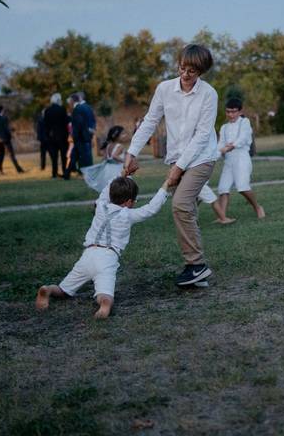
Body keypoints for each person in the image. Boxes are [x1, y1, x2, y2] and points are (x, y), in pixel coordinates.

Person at [124, 44, 220, 287]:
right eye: (182, 68)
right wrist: (132, 152)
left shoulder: (209, 94)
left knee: (180, 204)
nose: (185, 74)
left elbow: (201, 135)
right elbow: (150, 121)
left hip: (202, 157)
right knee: (186, 209)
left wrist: (179, 168)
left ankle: (196, 265)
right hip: (177, 156)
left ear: (201, 72)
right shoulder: (165, 89)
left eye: (192, 71)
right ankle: (197, 274)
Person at [35, 176, 171, 319]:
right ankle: (104, 305)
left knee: (63, 290)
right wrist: (166, 186)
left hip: (88, 255)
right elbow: (151, 209)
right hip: (107, 258)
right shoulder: (127, 214)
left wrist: (124, 174)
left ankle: (48, 289)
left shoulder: (100, 205)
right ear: (129, 202)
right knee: (105, 295)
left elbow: (106, 190)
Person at [213, 97, 265, 224]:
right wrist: (216, 153)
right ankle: (222, 217)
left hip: (242, 158)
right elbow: (220, 144)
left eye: (234, 111)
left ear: (241, 111)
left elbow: (242, 138)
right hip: (228, 161)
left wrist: (231, 146)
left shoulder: (245, 122)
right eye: (228, 111)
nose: (230, 114)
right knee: (223, 188)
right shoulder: (224, 127)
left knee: (242, 187)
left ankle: (257, 207)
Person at [81, 125, 129, 195]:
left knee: (109, 185)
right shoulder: (120, 146)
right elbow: (114, 156)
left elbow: (106, 157)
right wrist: (124, 161)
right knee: (121, 183)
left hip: (108, 168)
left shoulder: (109, 145)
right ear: (116, 136)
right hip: (117, 168)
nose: (125, 135)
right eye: (122, 134)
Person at [64, 92, 97, 179]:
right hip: (85, 135)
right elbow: (92, 121)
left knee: (84, 156)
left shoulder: (78, 109)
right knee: (77, 155)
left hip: (81, 137)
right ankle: (68, 173)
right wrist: (91, 132)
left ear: (72, 100)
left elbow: (78, 124)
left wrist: (74, 136)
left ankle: (85, 173)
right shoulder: (87, 107)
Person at [0, 104, 25, 175]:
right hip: (5, 139)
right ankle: (18, 169)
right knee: (11, 155)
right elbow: (7, 129)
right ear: (1, 110)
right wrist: (11, 133)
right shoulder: (4, 118)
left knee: (0, 155)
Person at [43, 93, 70, 178]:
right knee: (63, 156)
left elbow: (45, 125)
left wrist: (47, 136)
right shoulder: (62, 109)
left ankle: (54, 173)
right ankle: (65, 172)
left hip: (51, 137)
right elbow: (65, 123)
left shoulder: (47, 110)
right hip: (62, 136)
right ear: (59, 100)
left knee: (54, 157)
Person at [35, 107, 47, 171]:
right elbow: (38, 130)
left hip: (46, 139)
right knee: (43, 154)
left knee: (46, 154)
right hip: (44, 139)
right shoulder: (40, 120)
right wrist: (39, 138)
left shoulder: (45, 119)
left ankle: (43, 167)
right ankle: (42, 167)